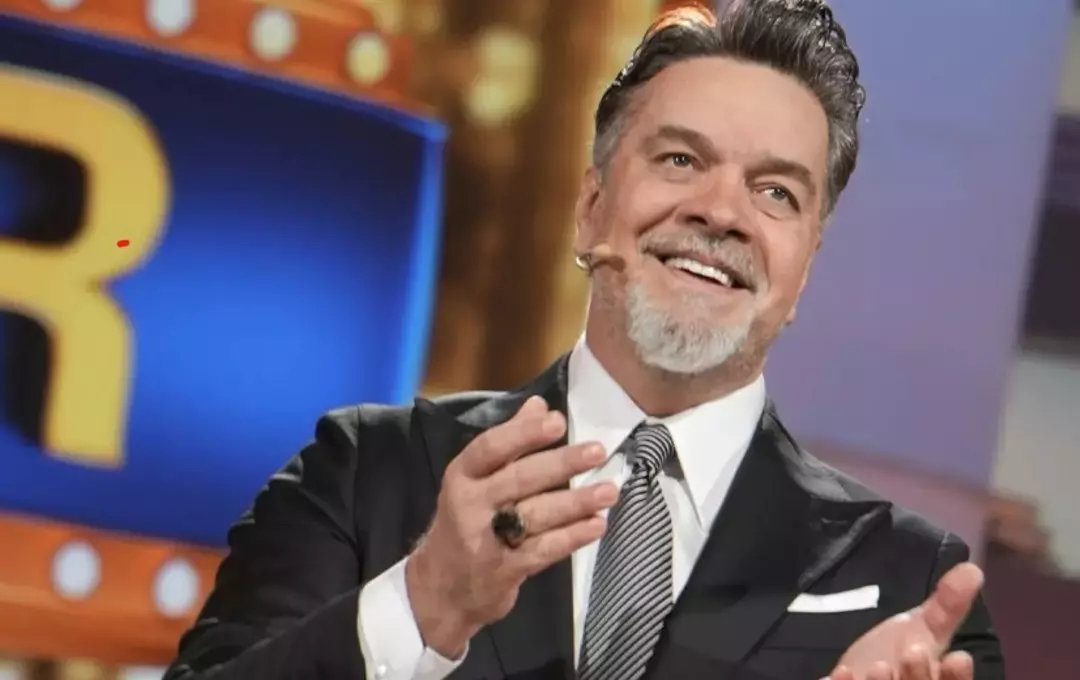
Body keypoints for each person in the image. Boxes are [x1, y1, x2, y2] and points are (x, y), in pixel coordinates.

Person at [164, 1, 1006, 679]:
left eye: (776, 193)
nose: (722, 212)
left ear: (805, 269)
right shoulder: (364, 476)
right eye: (680, 160)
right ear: (591, 206)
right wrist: (423, 606)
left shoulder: (911, 588)